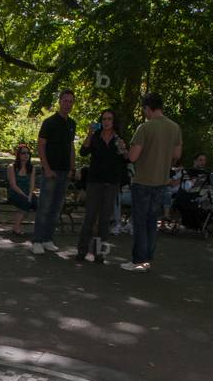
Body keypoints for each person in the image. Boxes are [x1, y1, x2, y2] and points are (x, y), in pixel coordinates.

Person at [123, 92, 182, 271]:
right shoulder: (174, 128)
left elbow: (133, 156)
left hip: (142, 181)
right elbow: (177, 155)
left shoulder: (145, 128)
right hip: (161, 182)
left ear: (148, 108)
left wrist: (127, 153)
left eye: (144, 109)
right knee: (151, 222)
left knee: (140, 222)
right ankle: (147, 257)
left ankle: (137, 260)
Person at [31, 89, 76, 255]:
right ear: (60, 102)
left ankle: (48, 239)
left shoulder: (72, 124)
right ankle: (37, 240)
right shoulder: (49, 122)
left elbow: (71, 147)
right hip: (51, 171)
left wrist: (73, 167)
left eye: (71, 101)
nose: (68, 104)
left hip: (65, 172)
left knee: (57, 207)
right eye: (65, 101)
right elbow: (41, 145)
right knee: (45, 206)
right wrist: (47, 168)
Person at [78, 109, 127, 263]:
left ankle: (99, 253)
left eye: (109, 119)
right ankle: (82, 251)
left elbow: (126, 159)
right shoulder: (95, 137)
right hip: (94, 182)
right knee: (90, 217)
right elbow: (83, 152)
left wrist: (123, 149)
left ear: (114, 121)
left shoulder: (118, 139)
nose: (106, 122)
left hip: (111, 183)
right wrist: (89, 134)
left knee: (105, 220)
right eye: (104, 119)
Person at [5, 143, 37, 238]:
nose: (26, 155)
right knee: (25, 203)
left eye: (28, 153)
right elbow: (13, 185)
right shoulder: (12, 167)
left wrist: (30, 195)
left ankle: (39, 230)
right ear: (18, 154)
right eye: (23, 153)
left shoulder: (31, 168)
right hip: (15, 193)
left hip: (28, 192)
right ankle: (16, 228)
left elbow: (32, 184)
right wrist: (25, 196)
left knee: (37, 204)